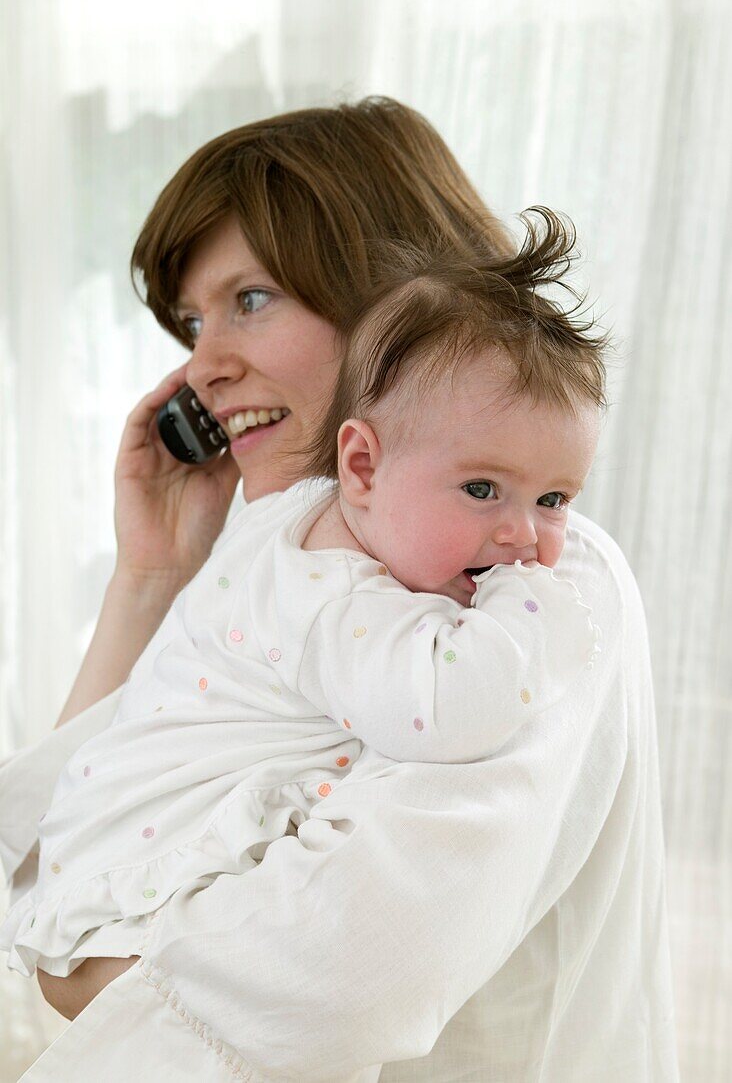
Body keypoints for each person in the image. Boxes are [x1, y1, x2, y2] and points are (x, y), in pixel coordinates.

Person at [0, 98, 678, 1080]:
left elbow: (326, 982)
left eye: (252, 297)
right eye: (195, 318)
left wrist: (79, 972)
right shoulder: (293, 552)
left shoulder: (531, 581)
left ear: (403, 294)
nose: (205, 363)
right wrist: (150, 577)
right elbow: (61, 837)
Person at [1, 226, 604, 981]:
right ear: (361, 466)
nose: (524, 538)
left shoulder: (348, 525)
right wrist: (536, 603)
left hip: (111, 906)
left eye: (554, 499)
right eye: (482, 490)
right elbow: (456, 704)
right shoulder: (331, 582)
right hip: (130, 911)